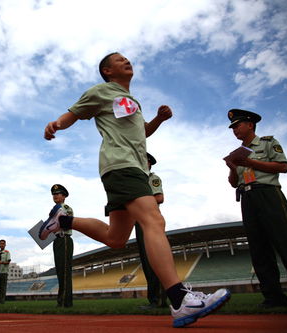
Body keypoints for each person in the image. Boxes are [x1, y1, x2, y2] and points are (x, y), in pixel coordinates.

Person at [41, 52, 230, 328]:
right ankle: (179, 299)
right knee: (154, 219)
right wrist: (57, 123)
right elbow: (74, 113)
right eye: (119, 60)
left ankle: (64, 220)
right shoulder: (102, 91)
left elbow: (142, 133)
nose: (126, 61)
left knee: (116, 238)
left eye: (127, 59)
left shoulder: (132, 101)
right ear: (107, 70)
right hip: (120, 165)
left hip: (134, 167)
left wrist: (159, 119)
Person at [225, 108, 287, 308]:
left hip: (268, 194)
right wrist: (233, 169)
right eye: (232, 127)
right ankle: (273, 297)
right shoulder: (236, 155)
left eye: (237, 125)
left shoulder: (268, 143)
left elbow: (282, 167)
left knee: (286, 243)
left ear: (250, 124)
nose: (234, 130)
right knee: (258, 248)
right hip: (247, 196)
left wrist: (249, 162)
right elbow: (232, 183)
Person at [135, 153, 167, 309]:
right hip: (139, 220)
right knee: (146, 260)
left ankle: (160, 299)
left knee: (155, 258)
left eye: (143, 160)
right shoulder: (136, 180)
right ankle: (153, 299)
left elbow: (159, 197)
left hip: (150, 219)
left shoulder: (152, 178)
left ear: (149, 163)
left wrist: (139, 201)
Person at [50, 184, 74, 307]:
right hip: (57, 240)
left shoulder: (66, 208)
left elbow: (67, 223)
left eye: (58, 193)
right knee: (60, 271)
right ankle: (61, 300)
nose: (55, 196)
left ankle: (66, 302)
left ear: (64, 196)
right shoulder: (53, 210)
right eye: (54, 194)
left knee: (64, 271)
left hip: (64, 238)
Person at [0, 239, 11, 304]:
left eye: (3, 243)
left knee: (3, 288)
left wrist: (1, 262)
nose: (2, 245)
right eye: (1, 243)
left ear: (5, 245)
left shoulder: (7, 252)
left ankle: (2, 302)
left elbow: (8, 262)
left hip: (3, 272)